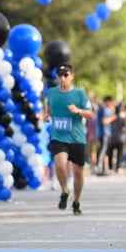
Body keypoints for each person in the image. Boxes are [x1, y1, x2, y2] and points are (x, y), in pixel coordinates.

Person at [46, 63, 93, 215]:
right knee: (60, 164)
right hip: (59, 136)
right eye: (60, 75)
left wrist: (78, 110)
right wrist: (45, 115)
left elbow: (91, 114)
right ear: (57, 77)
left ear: (72, 76)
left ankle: (76, 201)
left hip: (77, 138)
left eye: (66, 75)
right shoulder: (52, 92)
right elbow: (47, 108)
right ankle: (65, 191)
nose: (63, 78)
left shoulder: (80, 94)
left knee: (78, 172)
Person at [96, 95, 117, 176]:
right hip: (104, 133)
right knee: (103, 151)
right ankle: (100, 167)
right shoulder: (103, 109)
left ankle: (106, 167)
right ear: (108, 102)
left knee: (105, 152)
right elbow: (104, 121)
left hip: (105, 133)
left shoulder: (103, 109)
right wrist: (113, 117)